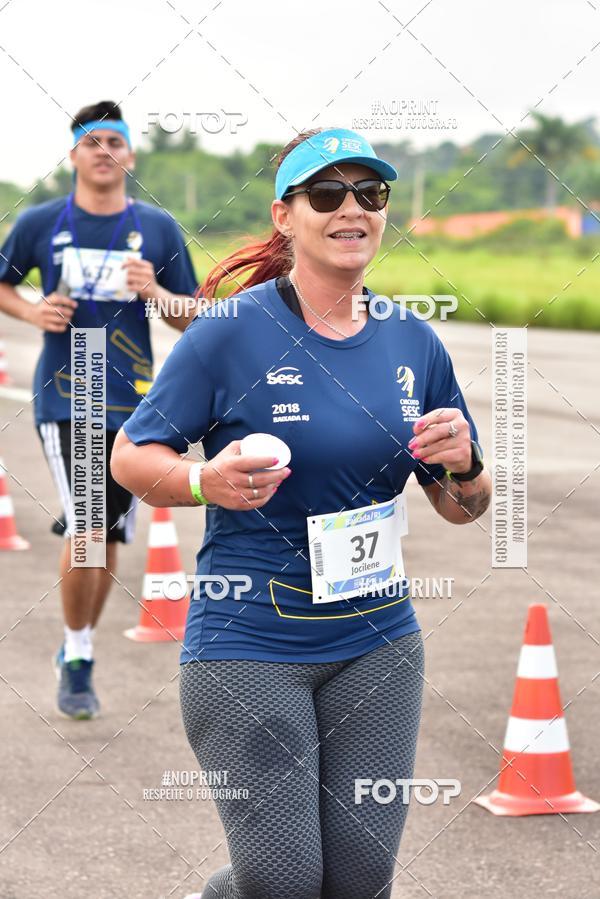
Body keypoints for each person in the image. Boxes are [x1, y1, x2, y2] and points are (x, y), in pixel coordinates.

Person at [111, 127, 491, 899]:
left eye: (371, 194)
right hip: (247, 638)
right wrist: (202, 481)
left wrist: (469, 465)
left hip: (379, 640)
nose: (352, 209)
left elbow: (463, 507)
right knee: (281, 881)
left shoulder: (413, 340)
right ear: (286, 215)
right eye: (327, 194)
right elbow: (131, 456)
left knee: (360, 880)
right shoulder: (230, 332)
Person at [0, 100, 198, 720]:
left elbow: (190, 316)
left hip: (139, 398)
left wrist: (156, 292)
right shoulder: (40, 222)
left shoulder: (158, 229)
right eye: (93, 142)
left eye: (115, 141)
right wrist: (33, 311)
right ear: (74, 154)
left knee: (105, 536)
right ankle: (81, 658)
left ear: (130, 155)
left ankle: (75, 644)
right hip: (70, 385)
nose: (104, 151)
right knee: (89, 526)